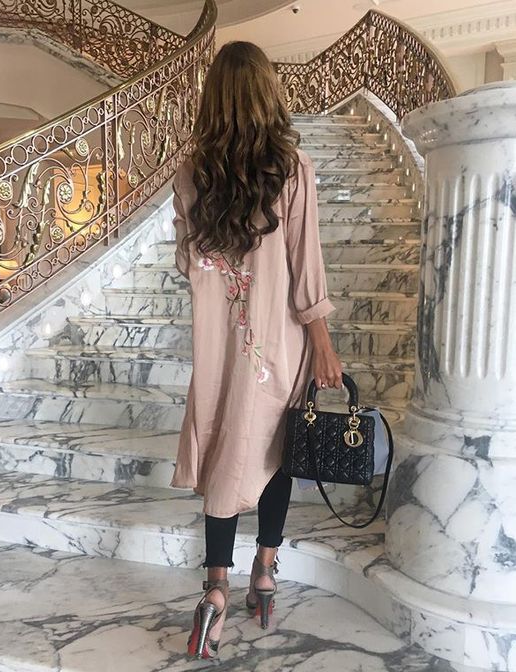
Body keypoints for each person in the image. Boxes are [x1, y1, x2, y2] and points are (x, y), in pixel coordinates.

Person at [169, 40, 343, 659]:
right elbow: (304, 264)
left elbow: (188, 260)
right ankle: (264, 573)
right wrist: (322, 341)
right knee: (276, 452)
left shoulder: (192, 172)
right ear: (268, 92)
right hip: (280, 343)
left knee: (225, 449)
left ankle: (214, 589)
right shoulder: (292, 169)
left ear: (213, 97)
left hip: (220, 347)